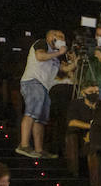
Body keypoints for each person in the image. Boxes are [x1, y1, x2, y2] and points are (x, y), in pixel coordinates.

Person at [17, 28, 66, 158]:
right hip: (33, 82)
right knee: (31, 112)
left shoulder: (56, 56)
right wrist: (58, 53)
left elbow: (64, 69)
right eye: (60, 36)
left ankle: (39, 149)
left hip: (44, 87)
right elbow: (40, 56)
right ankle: (24, 145)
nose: (62, 39)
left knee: (41, 119)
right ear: (51, 36)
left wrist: (77, 61)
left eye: (64, 37)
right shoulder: (42, 43)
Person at [65, 82, 101, 146]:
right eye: (91, 92)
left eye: (96, 92)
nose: (94, 94)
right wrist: (92, 127)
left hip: (100, 133)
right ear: (83, 93)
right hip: (82, 132)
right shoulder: (75, 104)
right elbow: (72, 122)